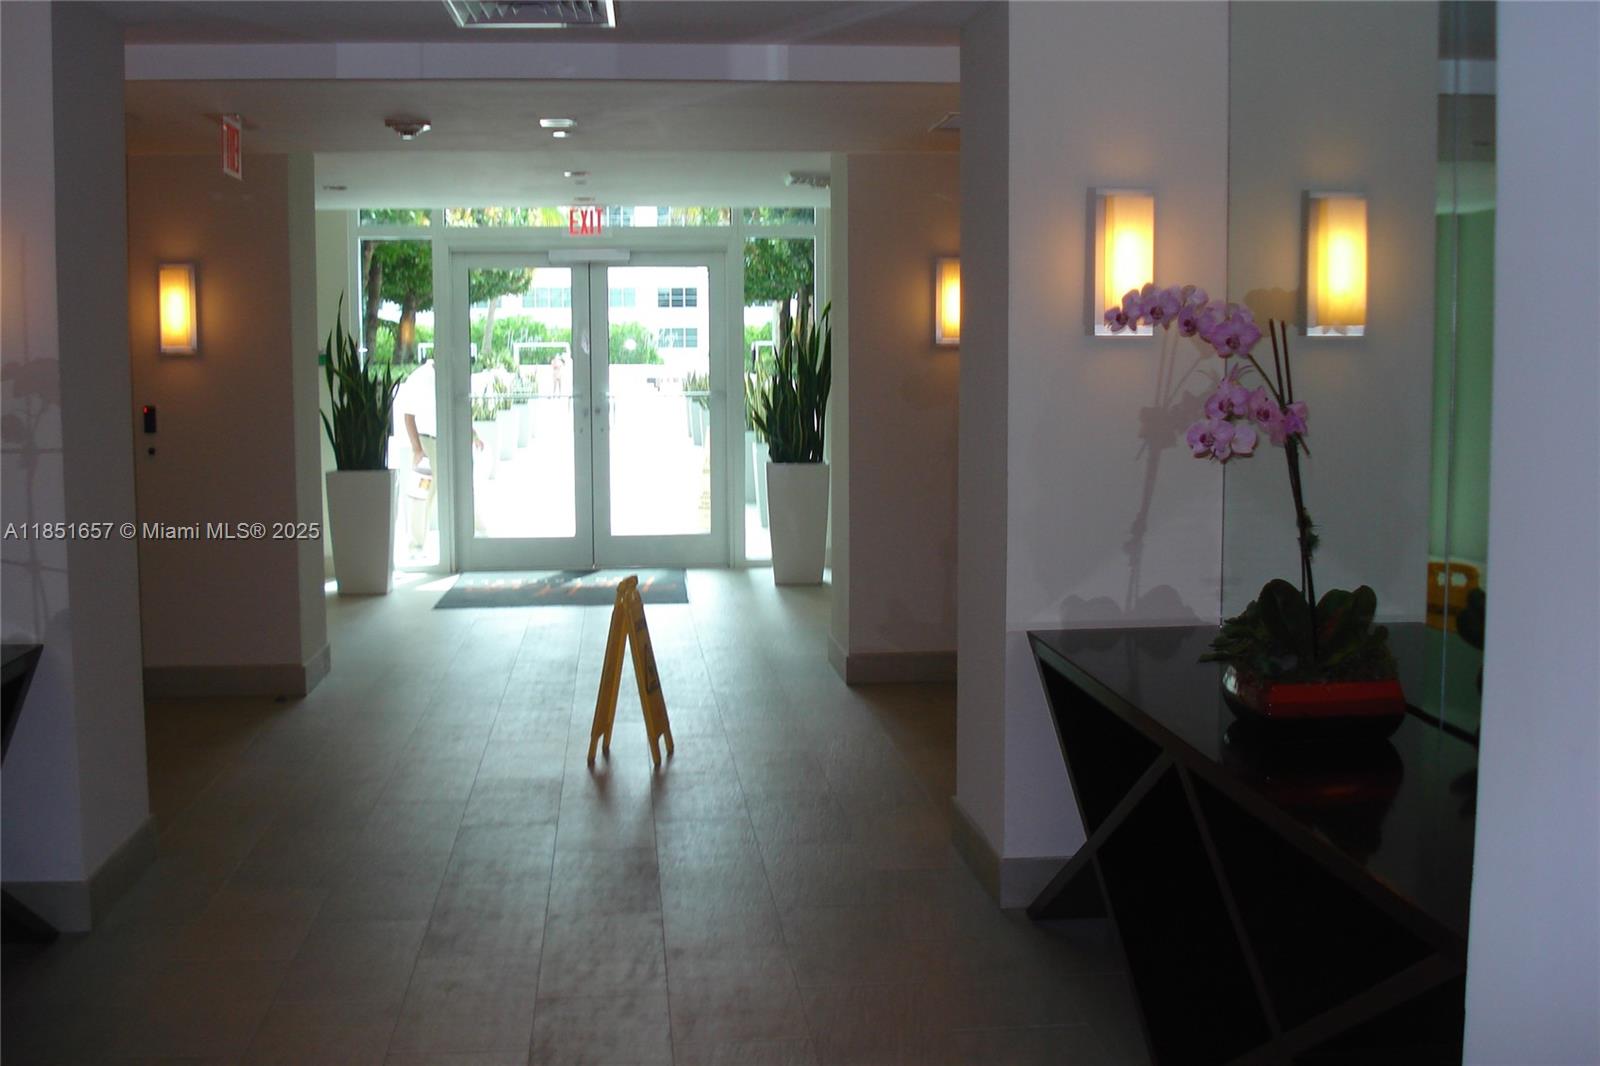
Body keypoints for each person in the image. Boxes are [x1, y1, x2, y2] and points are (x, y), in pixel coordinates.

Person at [395, 358, 437, 555]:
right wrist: (417, 448)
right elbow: (408, 415)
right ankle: (416, 544)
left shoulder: (448, 373)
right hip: (428, 443)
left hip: (442, 441)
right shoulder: (420, 377)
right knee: (422, 493)